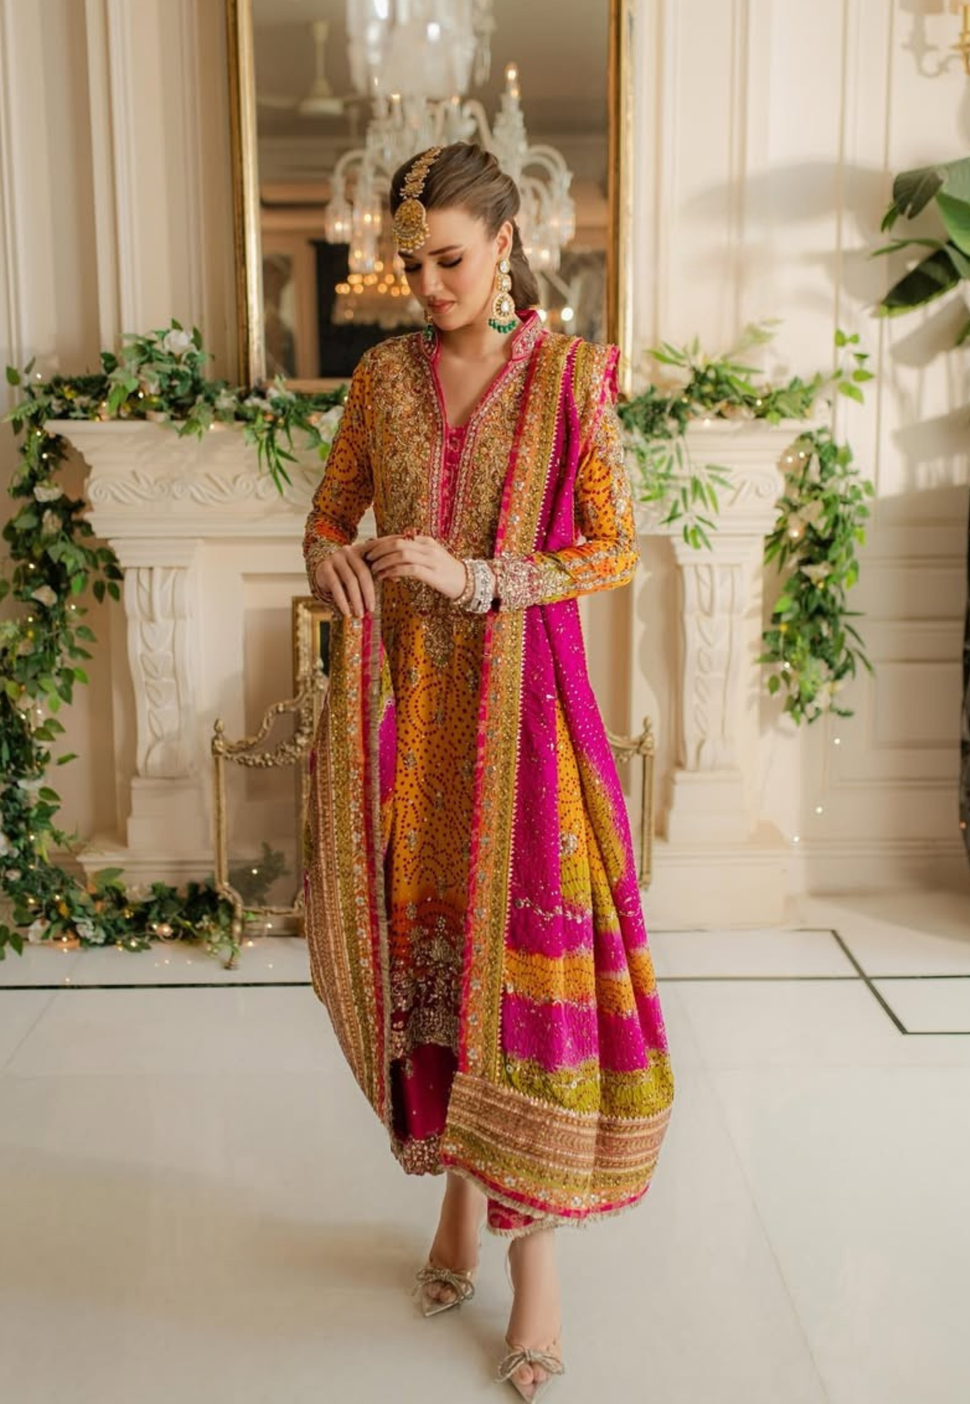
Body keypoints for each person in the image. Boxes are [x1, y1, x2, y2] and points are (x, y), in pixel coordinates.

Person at [301, 141, 674, 1401]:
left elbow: (613, 547)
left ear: (506, 245)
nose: (425, 284)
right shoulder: (382, 381)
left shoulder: (570, 381)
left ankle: (537, 1276)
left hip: (528, 726)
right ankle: (457, 1207)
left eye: (448, 260)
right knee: (436, 968)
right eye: (409, 263)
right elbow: (327, 513)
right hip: (415, 725)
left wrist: (483, 580)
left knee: (527, 992)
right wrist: (329, 563)